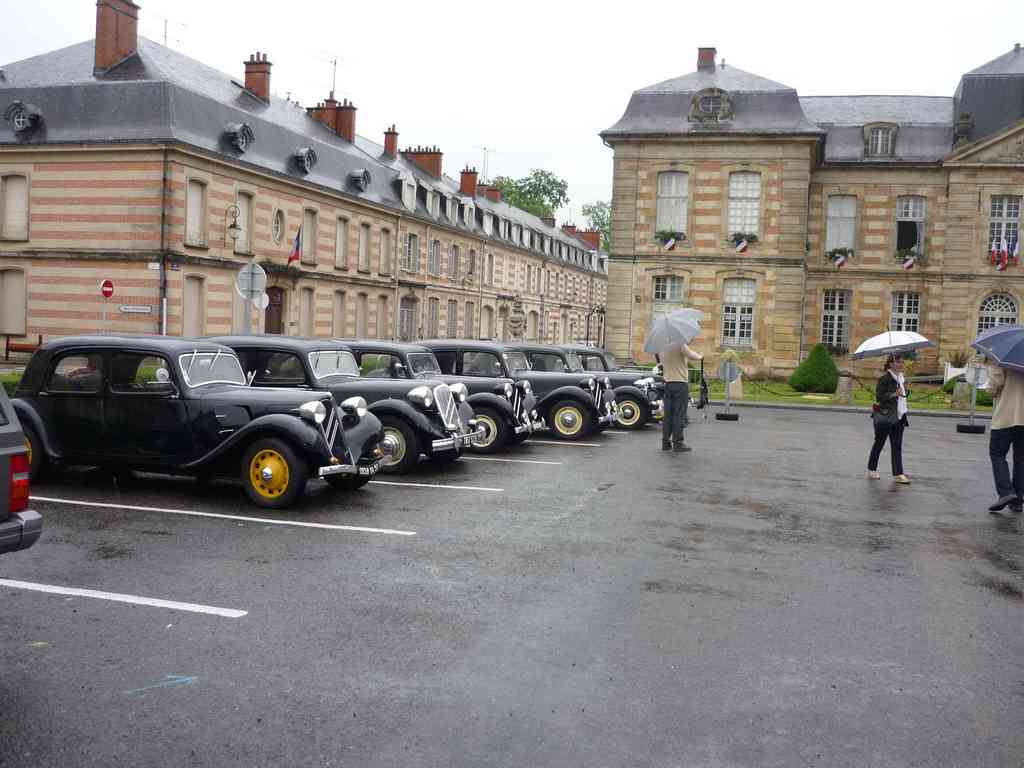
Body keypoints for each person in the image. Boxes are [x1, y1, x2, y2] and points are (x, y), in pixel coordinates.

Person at [986, 361, 1024, 514]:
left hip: (1006, 415)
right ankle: (1018, 500)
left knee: (997, 454)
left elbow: (995, 383)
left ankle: (1006, 492)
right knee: (1021, 459)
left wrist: (990, 390)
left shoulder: (1004, 358)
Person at [866, 354, 911, 483]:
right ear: (891, 364)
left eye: (902, 362)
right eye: (898, 362)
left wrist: (906, 390)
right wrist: (893, 394)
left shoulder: (901, 379)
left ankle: (898, 474)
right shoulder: (884, 379)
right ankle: (871, 470)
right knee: (879, 444)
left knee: (897, 446)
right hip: (886, 416)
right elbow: (879, 397)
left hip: (900, 416)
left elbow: (903, 397)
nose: (901, 364)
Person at [660, 342, 702, 452]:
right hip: (680, 384)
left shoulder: (661, 347)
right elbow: (692, 355)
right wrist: (701, 356)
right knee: (679, 415)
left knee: (668, 415)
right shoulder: (679, 344)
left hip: (668, 384)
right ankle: (678, 443)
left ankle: (665, 443)